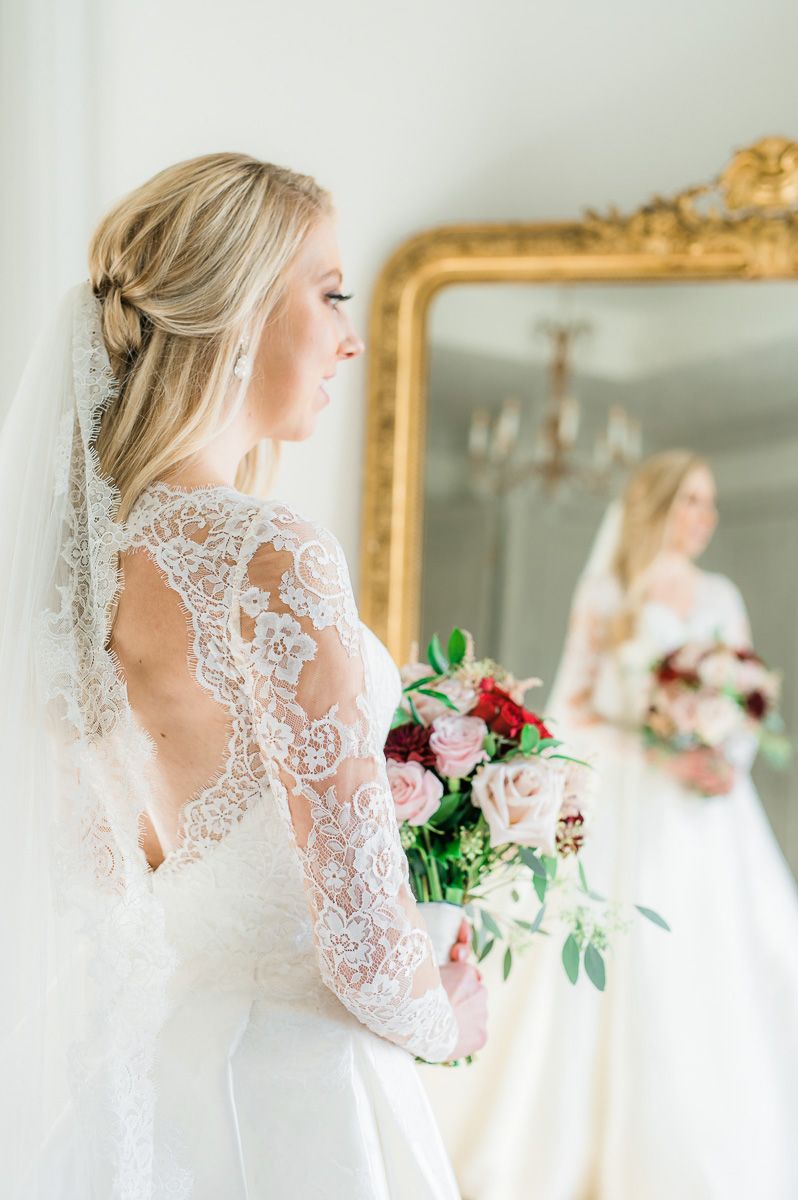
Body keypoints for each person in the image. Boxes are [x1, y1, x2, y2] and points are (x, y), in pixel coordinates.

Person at [1, 152, 486, 1200]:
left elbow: (106, 867)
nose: (350, 339)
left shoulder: (74, 578)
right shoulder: (269, 553)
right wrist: (448, 1015)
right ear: (239, 307)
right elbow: (358, 945)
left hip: (159, 1059)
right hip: (300, 1086)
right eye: (330, 293)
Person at [421, 449, 798, 1200]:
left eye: (710, 501)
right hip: (633, 796)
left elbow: (748, 697)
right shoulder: (608, 590)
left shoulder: (720, 594)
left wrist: (724, 748)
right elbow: (579, 706)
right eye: (691, 500)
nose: (706, 517)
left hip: (707, 809)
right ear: (656, 504)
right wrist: (661, 744)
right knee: (628, 958)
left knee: (719, 956)